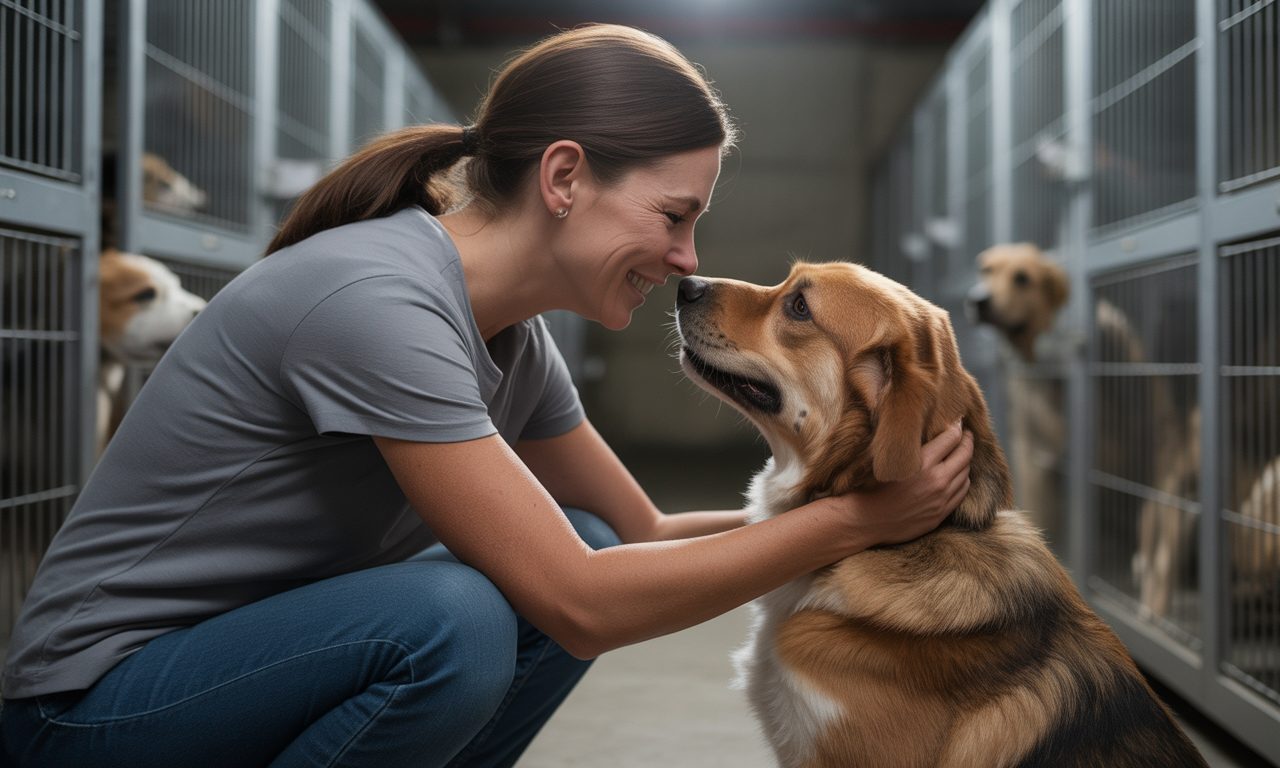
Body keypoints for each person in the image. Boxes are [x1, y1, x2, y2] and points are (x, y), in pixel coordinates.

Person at [0, 23, 973, 768]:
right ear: (563, 178)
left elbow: (631, 538)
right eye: (673, 217)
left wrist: (882, 526)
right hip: (90, 708)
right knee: (450, 617)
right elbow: (582, 608)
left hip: (234, 670)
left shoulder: (507, 336)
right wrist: (851, 522)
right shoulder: (376, 298)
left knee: (580, 539)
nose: (686, 261)